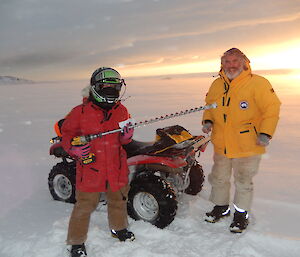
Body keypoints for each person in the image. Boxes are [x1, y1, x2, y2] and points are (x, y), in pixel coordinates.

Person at [202, 48, 281, 233]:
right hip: (222, 144)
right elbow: (210, 105)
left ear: (244, 62)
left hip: (248, 144)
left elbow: (272, 108)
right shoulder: (216, 84)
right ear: (222, 64)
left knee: (243, 181)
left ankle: (240, 215)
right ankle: (221, 208)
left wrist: (265, 133)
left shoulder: (258, 83)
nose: (231, 65)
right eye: (227, 62)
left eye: (235, 61)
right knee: (219, 178)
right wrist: (208, 121)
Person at [60, 67, 135, 257]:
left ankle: (118, 228)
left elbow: (122, 140)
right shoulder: (80, 112)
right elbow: (66, 136)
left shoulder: (122, 110)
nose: (111, 90)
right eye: (105, 86)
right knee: (84, 206)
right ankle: (76, 242)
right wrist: (73, 148)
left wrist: (126, 137)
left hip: (116, 168)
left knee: (118, 200)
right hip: (91, 169)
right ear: (94, 88)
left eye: (115, 87)